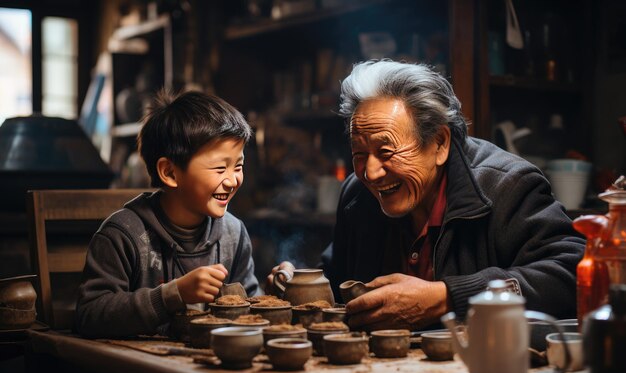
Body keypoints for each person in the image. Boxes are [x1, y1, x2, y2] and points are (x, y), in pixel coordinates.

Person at [269, 59, 584, 330]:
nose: (371, 172)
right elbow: (339, 279)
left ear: (439, 144)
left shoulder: (506, 186)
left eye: (385, 151)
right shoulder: (357, 194)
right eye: (359, 153)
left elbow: (573, 269)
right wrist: (299, 282)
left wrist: (447, 297)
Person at [76, 90, 261, 338]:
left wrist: (275, 292)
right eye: (220, 168)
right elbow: (90, 316)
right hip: (138, 371)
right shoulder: (123, 235)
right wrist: (172, 295)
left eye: (238, 166)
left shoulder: (233, 233)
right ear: (170, 173)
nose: (232, 180)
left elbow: (250, 308)